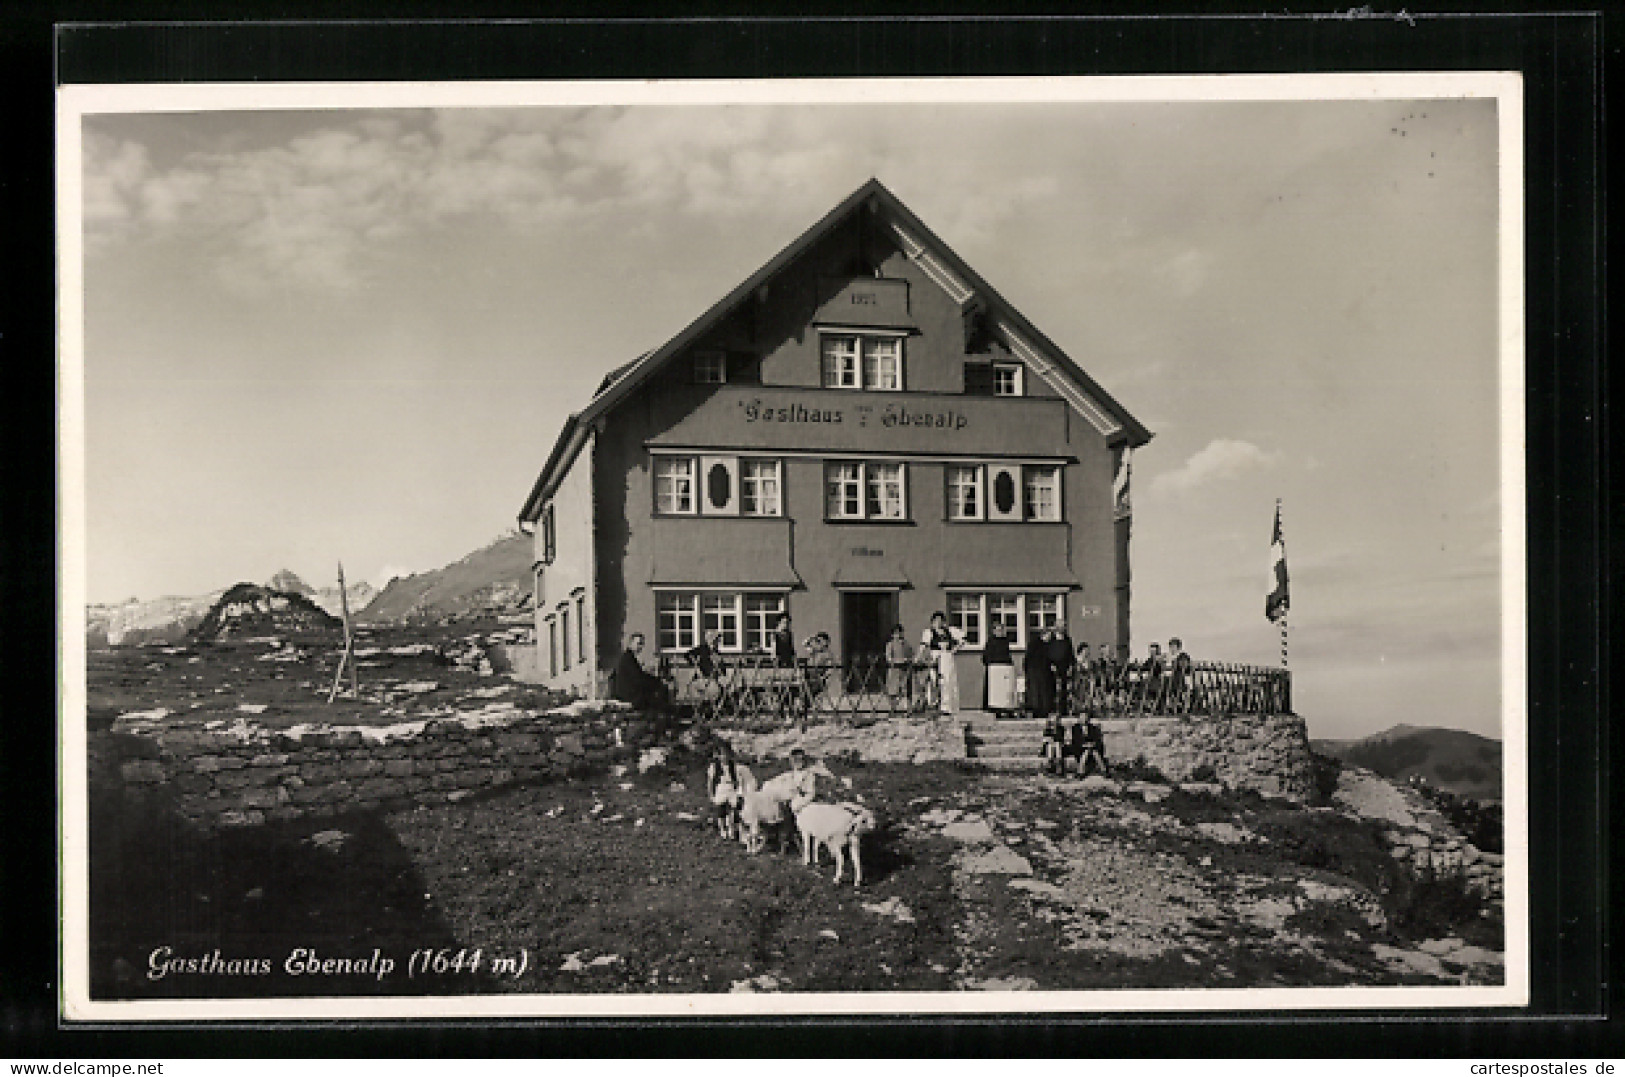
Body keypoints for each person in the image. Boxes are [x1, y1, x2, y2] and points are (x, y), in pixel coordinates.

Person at [609, 632, 670, 713]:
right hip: (629, 696)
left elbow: (640, 676)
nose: (640, 647)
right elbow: (638, 679)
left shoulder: (629, 657)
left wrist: (656, 680)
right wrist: (657, 682)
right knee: (659, 702)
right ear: (631, 643)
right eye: (639, 644)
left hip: (630, 694)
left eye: (642, 644)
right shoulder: (628, 659)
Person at [921, 612, 964, 717]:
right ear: (933, 622)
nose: (938, 623)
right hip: (935, 656)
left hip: (947, 658)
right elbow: (923, 646)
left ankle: (947, 706)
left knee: (948, 681)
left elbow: (963, 640)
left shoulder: (949, 631)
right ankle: (934, 704)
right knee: (934, 680)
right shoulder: (929, 633)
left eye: (940, 620)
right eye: (936, 620)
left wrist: (954, 650)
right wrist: (919, 657)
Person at [706, 742, 744, 840]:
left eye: (727, 754)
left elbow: (738, 780)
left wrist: (738, 791)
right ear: (718, 756)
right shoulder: (714, 767)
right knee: (721, 810)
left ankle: (731, 830)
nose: (725, 757)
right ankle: (723, 829)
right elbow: (710, 782)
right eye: (722, 754)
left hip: (731, 787)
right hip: (721, 788)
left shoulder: (733, 766)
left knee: (732, 809)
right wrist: (711, 794)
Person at [981, 620, 1016, 716]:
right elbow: (986, 656)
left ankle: (1006, 708)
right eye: (998, 630)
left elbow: (1007, 654)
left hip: (1004, 668)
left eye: (1001, 630)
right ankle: (995, 708)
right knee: (995, 691)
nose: (1000, 632)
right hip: (995, 669)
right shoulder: (991, 642)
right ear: (994, 631)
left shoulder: (1005, 641)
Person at [1024, 628, 1055, 719]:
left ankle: (1043, 710)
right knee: (1036, 692)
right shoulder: (1035, 645)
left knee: (1043, 692)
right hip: (1036, 671)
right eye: (1048, 636)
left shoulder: (1047, 645)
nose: (1049, 638)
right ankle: (1037, 710)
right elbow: (1029, 659)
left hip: (1044, 672)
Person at [1047, 626, 1077, 715]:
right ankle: (1053, 709)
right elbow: (1047, 654)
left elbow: (1071, 654)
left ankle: (1063, 710)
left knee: (1064, 691)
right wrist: (1051, 665)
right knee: (1053, 690)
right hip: (1053, 669)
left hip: (1064, 668)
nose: (1061, 629)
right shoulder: (1051, 641)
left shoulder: (1067, 640)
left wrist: (1071, 666)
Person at [884, 624, 914, 706]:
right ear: (892, 635)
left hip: (904, 670)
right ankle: (893, 707)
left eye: (900, 633)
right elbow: (888, 658)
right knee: (893, 690)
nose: (898, 635)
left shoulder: (906, 644)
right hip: (894, 670)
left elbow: (911, 655)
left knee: (905, 689)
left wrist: (908, 660)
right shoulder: (890, 644)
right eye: (896, 633)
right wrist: (897, 661)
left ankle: (907, 707)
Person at [1167, 637, 1194, 714]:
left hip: (1182, 678)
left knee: (1184, 694)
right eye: (1171, 647)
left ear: (1178, 647)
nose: (1172, 649)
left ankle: (1184, 710)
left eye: (1173, 647)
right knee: (1173, 694)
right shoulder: (1169, 657)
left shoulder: (1182, 656)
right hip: (1173, 679)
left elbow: (1186, 668)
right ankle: (1173, 709)